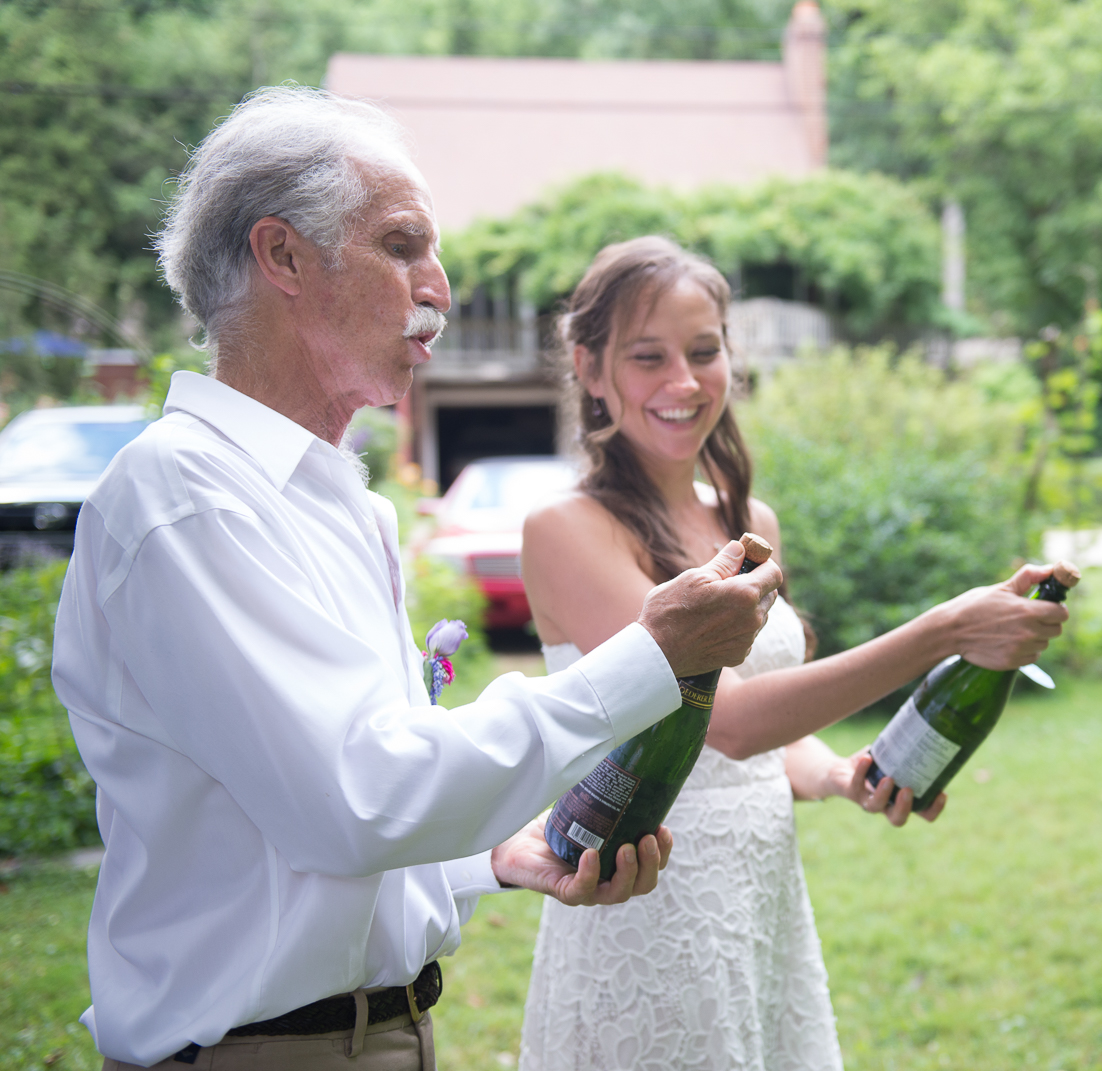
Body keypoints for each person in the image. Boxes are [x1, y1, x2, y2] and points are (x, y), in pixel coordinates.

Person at [49, 90, 782, 1071]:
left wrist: (487, 858)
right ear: (283, 257)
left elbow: (319, 800)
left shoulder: (336, 504)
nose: (437, 285)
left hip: (384, 1035)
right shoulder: (187, 499)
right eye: (402, 246)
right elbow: (359, 798)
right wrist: (653, 655)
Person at [516, 236, 1073, 1071]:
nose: (684, 381)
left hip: (763, 896)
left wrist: (838, 774)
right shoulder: (565, 531)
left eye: (704, 352)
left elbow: (767, 735)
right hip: (645, 901)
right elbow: (728, 722)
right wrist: (946, 629)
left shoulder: (751, 523)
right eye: (648, 357)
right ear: (591, 369)